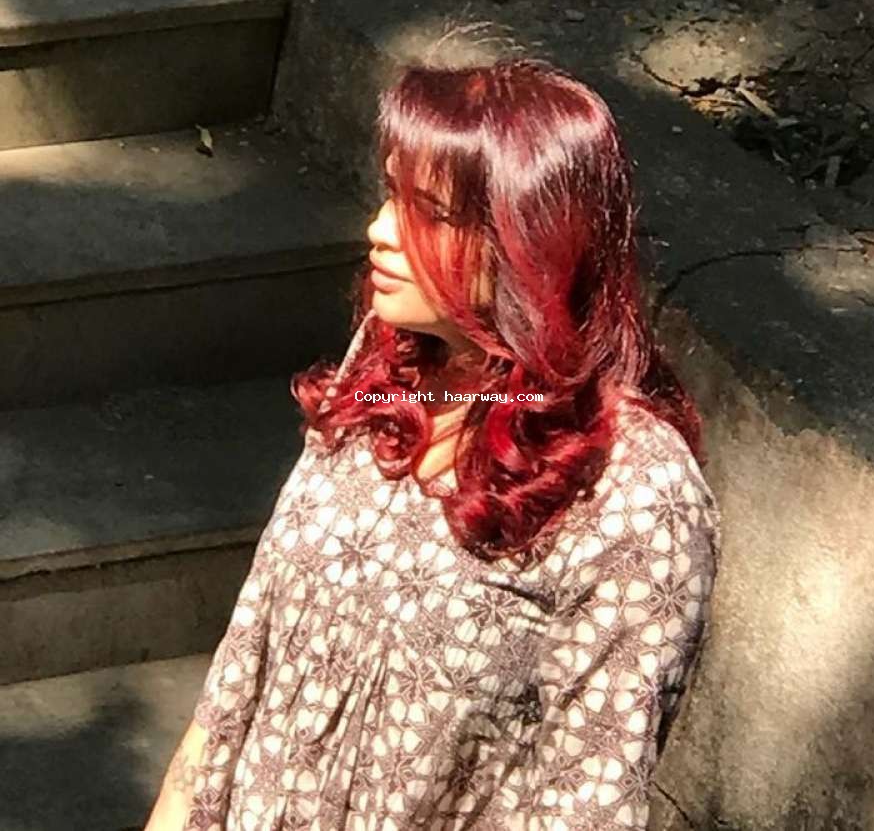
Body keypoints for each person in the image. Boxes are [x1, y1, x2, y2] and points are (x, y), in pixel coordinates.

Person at [144, 51, 722, 831]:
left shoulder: (637, 498)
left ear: (531, 244)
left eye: (431, 214)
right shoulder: (391, 364)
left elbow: (587, 801)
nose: (379, 232)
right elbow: (247, 658)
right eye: (390, 195)